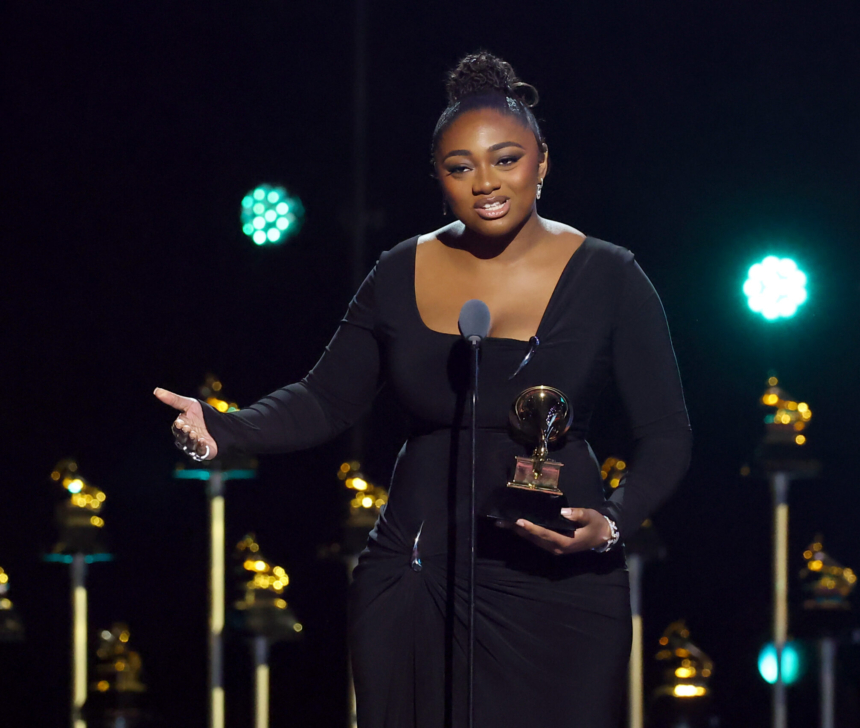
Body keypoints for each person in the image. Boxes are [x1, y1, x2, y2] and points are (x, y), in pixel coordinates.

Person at [155, 51, 691, 728]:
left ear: (543, 161)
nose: (485, 183)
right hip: (417, 573)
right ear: (437, 176)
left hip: (562, 581)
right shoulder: (399, 270)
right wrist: (223, 426)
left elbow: (667, 433)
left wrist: (613, 520)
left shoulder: (612, 276)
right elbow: (326, 398)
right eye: (460, 166)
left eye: (507, 159)